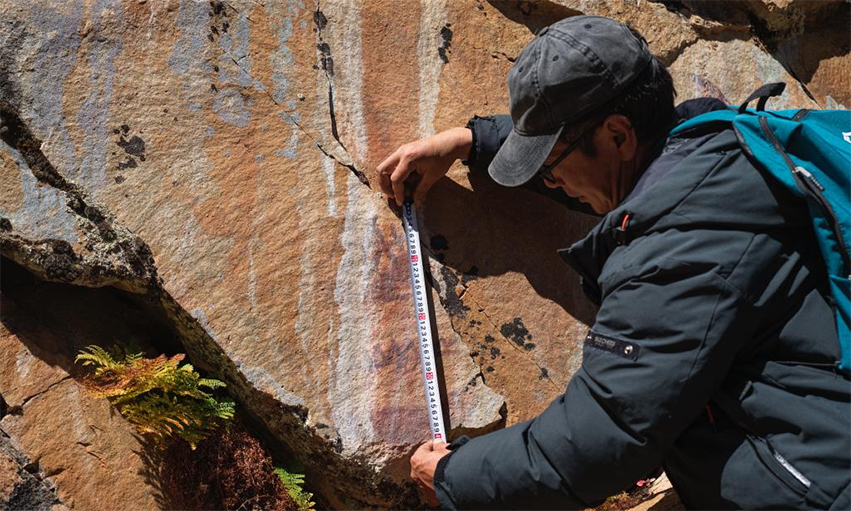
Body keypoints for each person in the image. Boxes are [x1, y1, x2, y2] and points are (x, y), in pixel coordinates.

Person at [377, 15, 851, 510]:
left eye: (549, 164)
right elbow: (611, 177)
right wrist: (473, 141)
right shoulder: (722, 148)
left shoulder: (679, 251)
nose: (550, 180)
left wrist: (453, 477)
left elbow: (603, 434)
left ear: (619, 135)